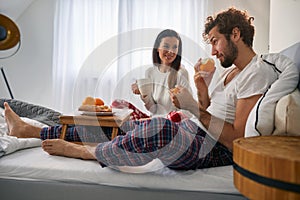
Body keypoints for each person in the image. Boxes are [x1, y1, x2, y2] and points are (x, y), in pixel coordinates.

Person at [3, 8, 294, 170]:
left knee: (160, 128)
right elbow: (209, 110)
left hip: (216, 149)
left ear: (236, 34)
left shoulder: (257, 72)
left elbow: (236, 140)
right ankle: (34, 131)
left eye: (216, 41)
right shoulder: (229, 72)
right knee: (124, 124)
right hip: (196, 130)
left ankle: (87, 152)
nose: (214, 51)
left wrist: (192, 108)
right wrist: (200, 88)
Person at [114, 29, 191, 120]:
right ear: (157, 48)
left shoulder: (181, 73)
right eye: (166, 46)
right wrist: (144, 94)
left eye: (174, 47)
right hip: (153, 121)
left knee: (143, 126)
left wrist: (170, 119)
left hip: (171, 124)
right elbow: (153, 109)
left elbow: (188, 111)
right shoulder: (150, 72)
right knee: (117, 104)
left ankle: (139, 130)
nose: (171, 51)